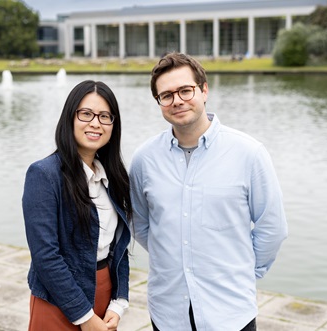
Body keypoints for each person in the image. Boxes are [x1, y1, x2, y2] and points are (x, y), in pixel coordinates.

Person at [129, 52, 288, 330]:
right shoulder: (144, 159)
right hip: (168, 312)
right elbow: (140, 224)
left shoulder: (249, 153)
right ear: (159, 102)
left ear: (204, 90)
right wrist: (172, 255)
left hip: (230, 312)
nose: (177, 100)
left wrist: (243, 272)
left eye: (185, 90)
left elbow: (272, 227)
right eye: (166, 95)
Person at [23, 80, 132, 331]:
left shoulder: (113, 177)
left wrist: (119, 302)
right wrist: (83, 315)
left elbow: (120, 246)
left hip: (104, 292)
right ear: (69, 117)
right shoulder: (44, 174)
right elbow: (45, 256)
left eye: (105, 116)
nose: (95, 123)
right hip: (58, 299)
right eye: (86, 114)